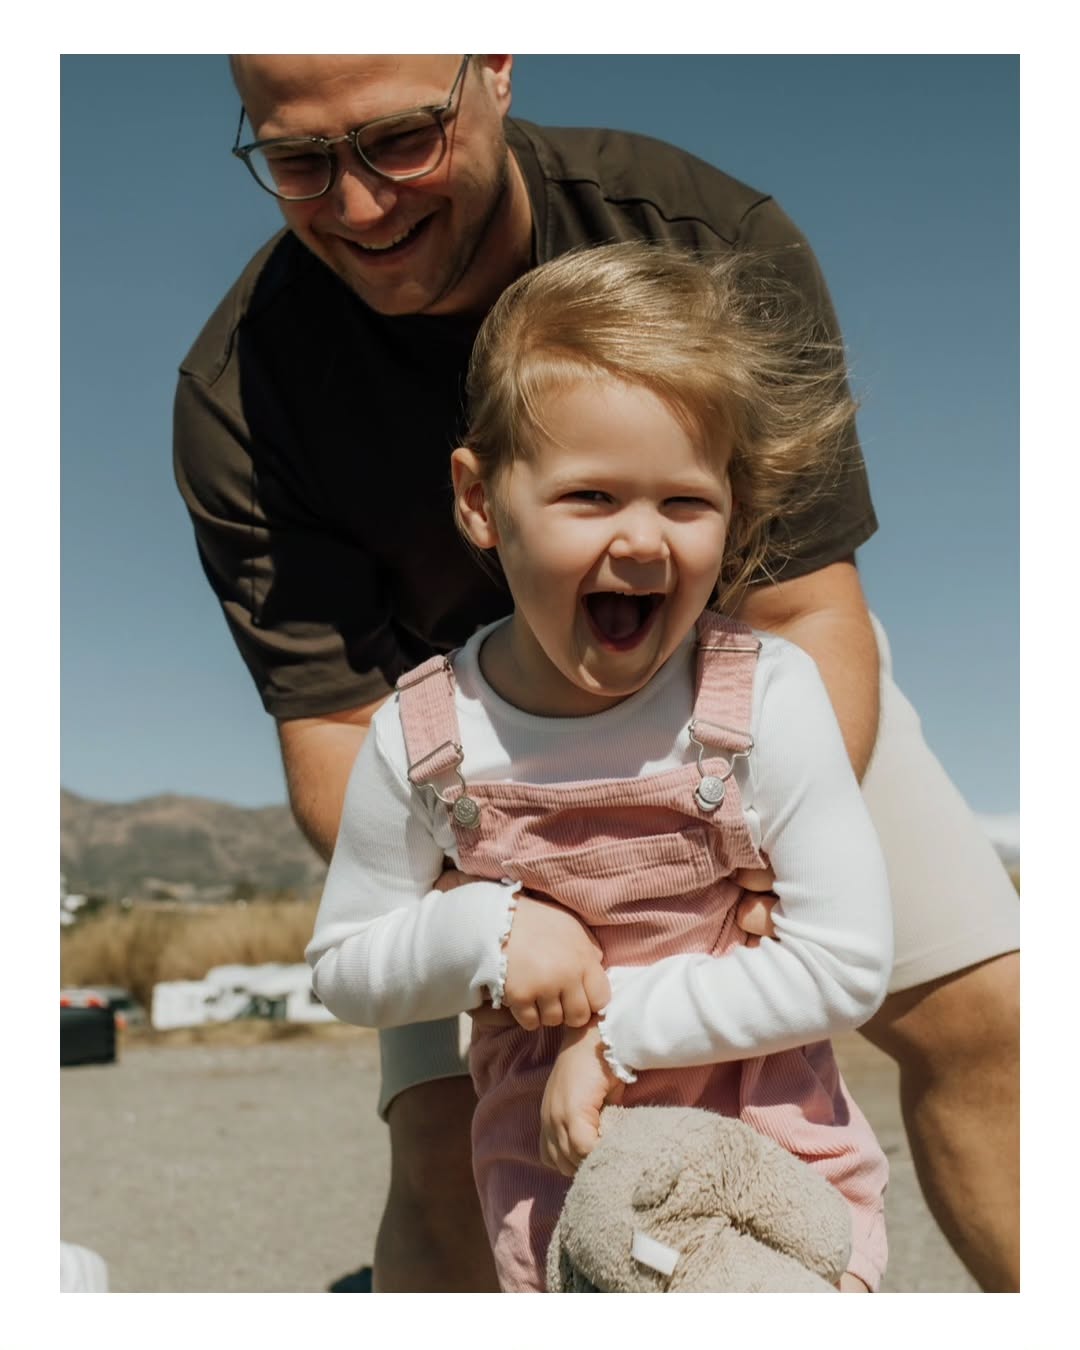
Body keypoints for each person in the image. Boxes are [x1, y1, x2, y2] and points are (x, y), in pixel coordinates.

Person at [173, 55, 1020, 1291]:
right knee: (439, 1149)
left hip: (748, 705)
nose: (359, 206)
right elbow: (335, 733)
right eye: (299, 161)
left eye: (402, 141)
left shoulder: (710, 237)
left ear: (494, 70)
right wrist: (503, 918)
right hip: (469, 775)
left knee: (991, 1026)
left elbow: (809, 609)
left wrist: (752, 864)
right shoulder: (240, 393)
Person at [307, 241, 894, 1291]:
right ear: (483, 503)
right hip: (551, 1176)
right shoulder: (428, 733)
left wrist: (620, 1037)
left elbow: (846, 962)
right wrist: (483, 929)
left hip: (768, 1162)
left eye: (685, 502)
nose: (641, 541)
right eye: (589, 498)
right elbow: (345, 964)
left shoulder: (764, 699)